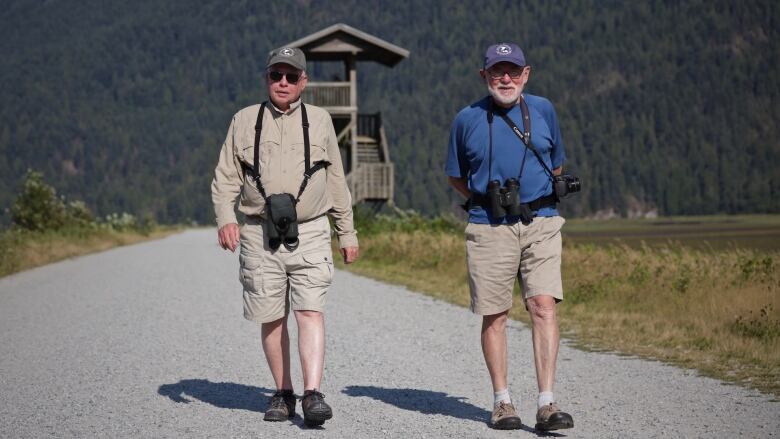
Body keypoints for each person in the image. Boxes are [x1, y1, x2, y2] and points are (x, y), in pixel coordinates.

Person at [211, 46, 359, 427]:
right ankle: (283, 392)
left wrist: (347, 233)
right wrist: (225, 217)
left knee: (310, 311)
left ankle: (312, 395)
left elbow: (336, 181)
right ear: (267, 78)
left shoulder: (322, 121)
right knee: (272, 316)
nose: (283, 82)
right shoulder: (243, 120)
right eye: (276, 75)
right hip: (259, 232)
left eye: (291, 76)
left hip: (310, 230)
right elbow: (226, 176)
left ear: (303, 82)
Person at [445, 43, 575, 432]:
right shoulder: (466, 119)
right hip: (488, 224)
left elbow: (557, 163)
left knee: (543, 305)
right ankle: (503, 402)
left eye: (513, 71)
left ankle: (547, 403)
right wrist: (486, 201)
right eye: (497, 72)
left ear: (526, 74)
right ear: (483, 76)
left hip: (542, 220)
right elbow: (455, 174)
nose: (506, 79)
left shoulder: (544, 109)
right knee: (496, 314)